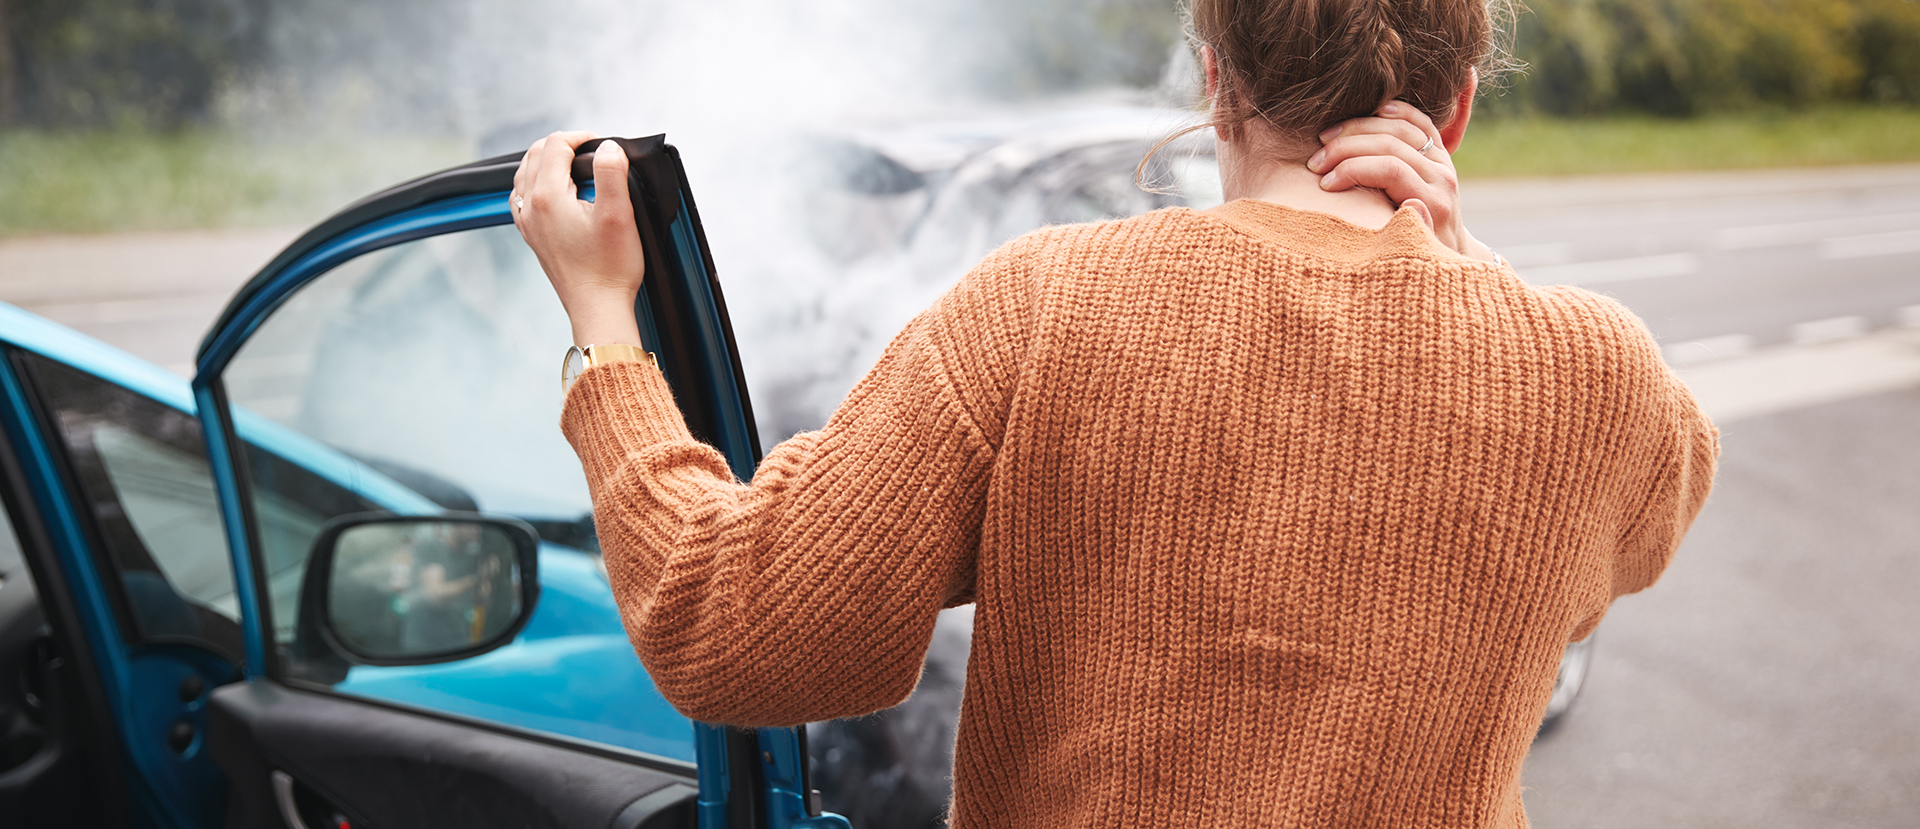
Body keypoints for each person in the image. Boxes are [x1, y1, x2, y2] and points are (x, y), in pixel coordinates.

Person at [512, 0, 1719, 823]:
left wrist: (604, 330)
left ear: (1215, 76)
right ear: (1455, 114)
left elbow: (735, 629)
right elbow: (1659, 507)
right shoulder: (1597, 372)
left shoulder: (1048, 303)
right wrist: (1465, 263)